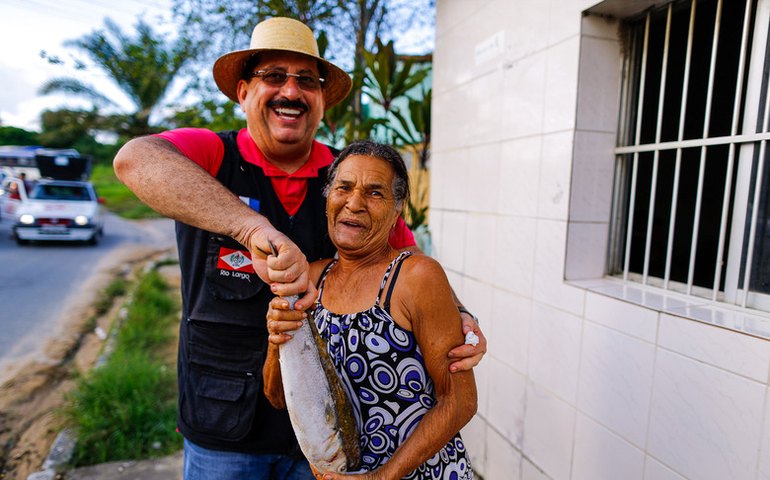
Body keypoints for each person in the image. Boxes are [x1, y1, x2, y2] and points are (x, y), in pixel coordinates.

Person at [113, 16, 486, 480]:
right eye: (273, 77)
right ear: (244, 91)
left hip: (327, 436)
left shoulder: (348, 179)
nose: (291, 92)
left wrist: (460, 317)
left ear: (322, 102)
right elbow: (134, 160)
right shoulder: (210, 155)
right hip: (223, 428)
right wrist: (250, 229)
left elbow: (408, 261)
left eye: (306, 81)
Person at [264, 140, 477, 479]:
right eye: (343, 188)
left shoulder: (416, 276)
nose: (354, 203)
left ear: (398, 208)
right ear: (328, 198)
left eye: (375, 193)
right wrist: (277, 338)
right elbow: (278, 398)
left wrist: (381, 477)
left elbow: (459, 401)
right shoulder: (310, 282)